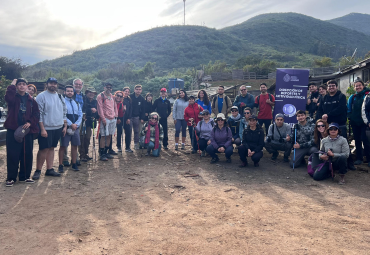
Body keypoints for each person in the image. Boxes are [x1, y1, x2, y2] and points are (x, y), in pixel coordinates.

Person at [5, 78, 40, 187]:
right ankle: (11, 178)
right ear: (16, 87)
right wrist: (11, 85)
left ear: (26, 86)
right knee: (12, 154)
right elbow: (8, 99)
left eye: (23, 84)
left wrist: (30, 122)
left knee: (27, 154)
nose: (21, 86)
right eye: (19, 84)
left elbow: (36, 114)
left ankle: (25, 176)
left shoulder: (31, 100)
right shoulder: (13, 97)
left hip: (26, 131)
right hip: (13, 129)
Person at [316, 80, 355, 170]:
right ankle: (330, 162)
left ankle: (349, 163)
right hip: (328, 125)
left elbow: (340, 109)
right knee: (328, 144)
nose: (331, 87)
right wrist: (320, 119)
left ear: (336, 87)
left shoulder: (341, 96)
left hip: (340, 124)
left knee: (344, 144)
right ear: (327, 87)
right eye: (329, 86)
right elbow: (320, 109)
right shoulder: (324, 98)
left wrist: (328, 114)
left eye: (333, 86)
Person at [33, 77, 67, 180]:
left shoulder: (60, 97)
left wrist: (64, 126)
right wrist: (42, 129)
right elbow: (39, 114)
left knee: (52, 147)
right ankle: (38, 170)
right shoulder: (41, 96)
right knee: (44, 148)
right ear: (47, 84)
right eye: (51, 83)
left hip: (58, 127)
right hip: (46, 127)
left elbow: (64, 113)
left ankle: (50, 169)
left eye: (55, 83)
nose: (53, 85)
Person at [58, 85, 83, 172]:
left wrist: (76, 124)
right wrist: (70, 124)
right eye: (68, 91)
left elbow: (80, 115)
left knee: (74, 146)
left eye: (71, 91)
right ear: (64, 92)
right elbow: (62, 114)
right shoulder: (62, 102)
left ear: (73, 92)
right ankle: (60, 164)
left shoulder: (76, 103)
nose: (70, 92)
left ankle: (74, 163)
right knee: (63, 146)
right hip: (65, 126)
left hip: (75, 127)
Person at [347, 78, 370, 165]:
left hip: (365, 122)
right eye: (356, 86)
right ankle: (359, 158)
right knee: (357, 140)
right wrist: (350, 118)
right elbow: (348, 108)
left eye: (359, 85)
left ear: (363, 86)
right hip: (355, 122)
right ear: (354, 87)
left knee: (365, 140)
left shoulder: (367, 95)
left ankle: (368, 159)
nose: (358, 87)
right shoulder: (352, 97)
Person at [64, 78, 85, 166]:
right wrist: (70, 123)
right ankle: (65, 159)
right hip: (66, 122)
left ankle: (75, 159)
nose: (78, 86)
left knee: (75, 142)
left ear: (82, 86)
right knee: (64, 143)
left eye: (80, 84)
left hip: (78, 121)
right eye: (76, 84)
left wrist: (77, 123)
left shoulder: (83, 96)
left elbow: (83, 109)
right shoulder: (65, 98)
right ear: (73, 85)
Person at [97, 83, 118, 161]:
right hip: (105, 118)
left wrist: (116, 115)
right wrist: (103, 119)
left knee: (109, 135)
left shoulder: (112, 97)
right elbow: (100, 108)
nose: (109, 89)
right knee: (103, 136)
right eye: (107, 87)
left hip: (112, 119)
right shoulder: (100, 96)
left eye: (110, 87)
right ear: (104, 87)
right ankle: (102, 153)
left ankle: (106, 151)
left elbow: (115, 106)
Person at [80, 87, 98, 161]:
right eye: (89, 92)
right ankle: (82, 155)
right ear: (87, 93)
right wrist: (90, 110)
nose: (91, 94)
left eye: (93, 92)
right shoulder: (83, 99)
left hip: (91, 122)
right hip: (83, 121)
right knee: (82, 138)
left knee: (87, 138)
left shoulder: (95, 102)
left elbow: (97, 112)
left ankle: (86, 154)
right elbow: (82, 109)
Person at [130, 84, 145, 150]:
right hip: (129, 117)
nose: (138, 91)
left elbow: (142, 110)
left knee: (137, 131)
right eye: (137, 89)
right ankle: (128, 145)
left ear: (141, 90)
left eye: (139, 89)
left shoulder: (141, 98)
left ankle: (136, 144)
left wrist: (142, 118)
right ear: (134, 90)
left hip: (137, 117)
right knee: (129, 132)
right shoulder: (130, 97)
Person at [122, 87, 133, 152]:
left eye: (128, 92)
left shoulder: (129, 99)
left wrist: (129, 118)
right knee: (119, 133)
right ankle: (119, 147)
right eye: (125, 91)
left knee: (128, 133)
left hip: (127, 118)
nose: (127, 93)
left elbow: (131, 109)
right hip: (121, 117)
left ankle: (127, 147)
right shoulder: (120, 98)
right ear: (123, 91)